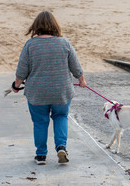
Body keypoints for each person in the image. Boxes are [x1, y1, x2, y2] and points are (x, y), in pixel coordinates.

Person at [12, 11, 87, 165]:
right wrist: (82, 80)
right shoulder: (64, 42)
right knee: (60, 117)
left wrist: (16, 85)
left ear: (36, 26)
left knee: (40, 122)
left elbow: (22, 70)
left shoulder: (30, 45)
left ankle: (41, 155)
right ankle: (61, 146)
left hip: (37, 93)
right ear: (55, 25)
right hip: (61, 92)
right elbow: (76, 66)